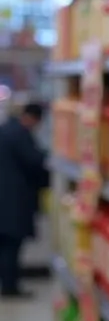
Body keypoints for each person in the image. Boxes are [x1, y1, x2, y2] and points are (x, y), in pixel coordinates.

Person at [0, 101, 49, 298]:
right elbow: (35, 161)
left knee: (5, 245)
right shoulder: (20, 135)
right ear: (34, 118)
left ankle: (8, 283)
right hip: (13, 201)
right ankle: (10, 287)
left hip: (4, 199)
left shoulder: (6, 130)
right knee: (12, 245)